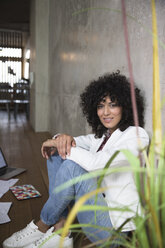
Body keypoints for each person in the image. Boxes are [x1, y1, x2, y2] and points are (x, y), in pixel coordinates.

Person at [3, 71, 149, 248]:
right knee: (56, 153)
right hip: (92, 210)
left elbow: (97, 164)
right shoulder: (101, 137)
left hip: (113, 230)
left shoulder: (136, 135)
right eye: (101, 106)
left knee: (71, 165)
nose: (106, 112)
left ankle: (42, 224)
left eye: (113, 105)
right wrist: (59, 138)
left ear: (125, 107)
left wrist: (62, 143)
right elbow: (73, 142)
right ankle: (62, 231)